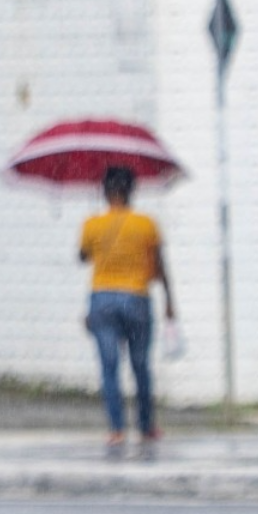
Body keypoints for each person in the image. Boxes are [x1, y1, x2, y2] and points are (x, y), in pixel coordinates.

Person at [79, 165, 175, 458]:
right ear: (132, 191)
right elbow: (160, 265)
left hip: (102, 300)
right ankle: (146, 426)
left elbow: (83, 256)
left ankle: (116, 429)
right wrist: (171, 301)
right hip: (136, 298)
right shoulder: (146, 224)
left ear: (105, 192)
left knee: (109, 366)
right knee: (140, 365)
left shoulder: (92, 224)